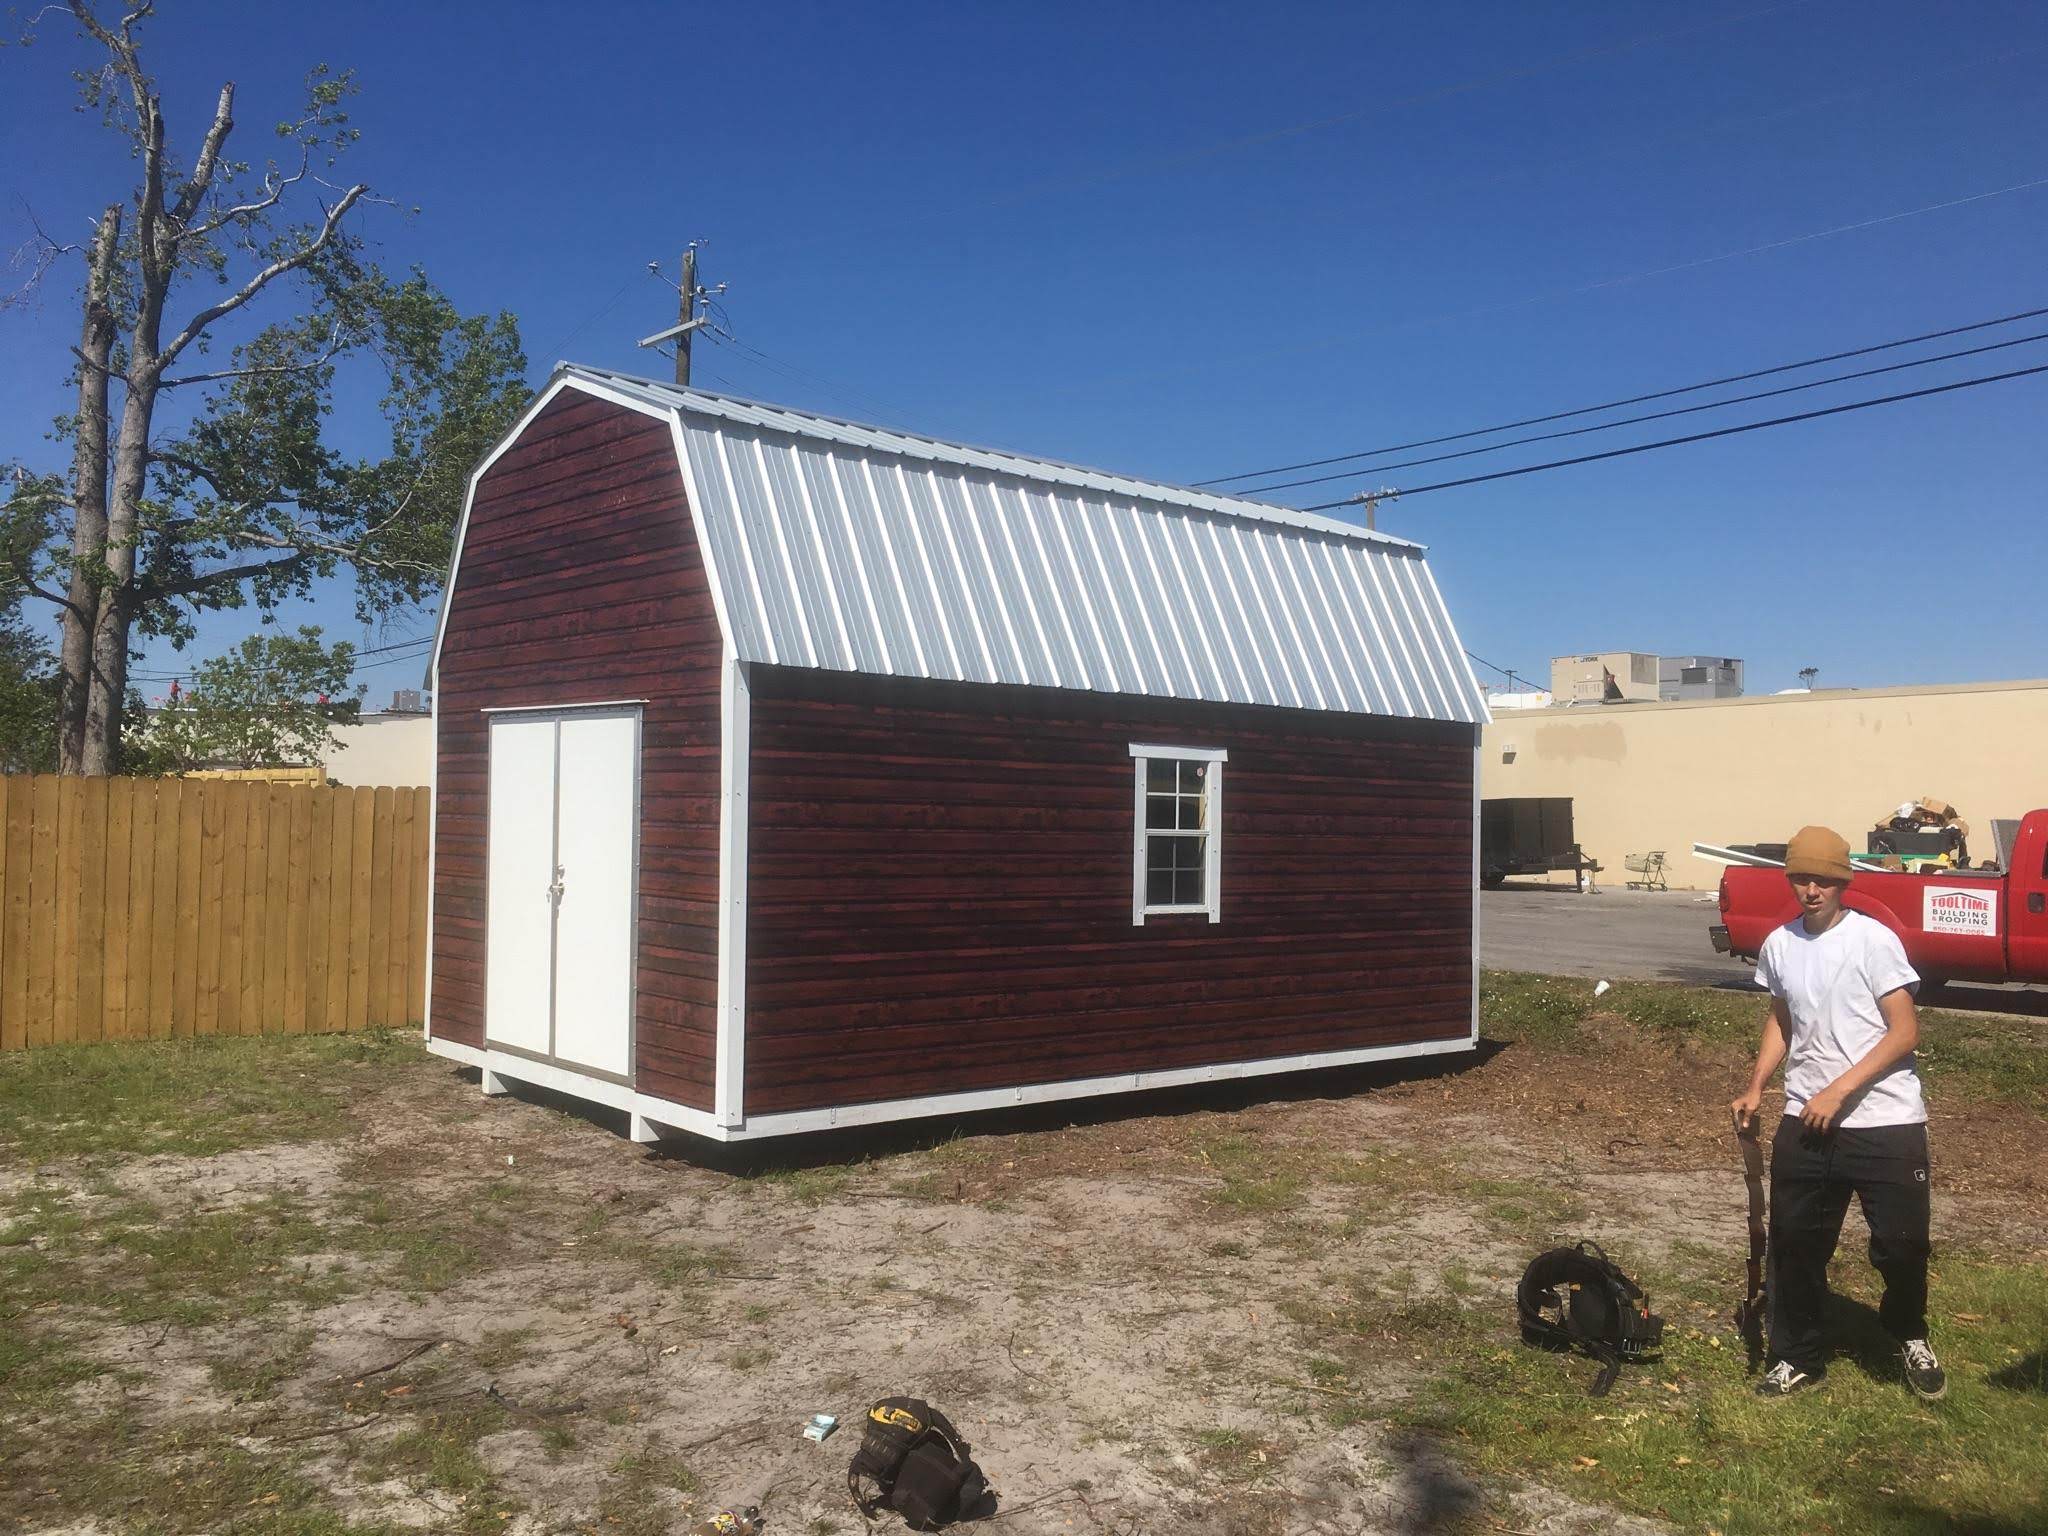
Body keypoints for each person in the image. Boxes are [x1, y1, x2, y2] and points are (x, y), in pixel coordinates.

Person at [1729, 824, 1944, 1400]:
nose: (1811, 890)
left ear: (1842, 882)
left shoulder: (1872, 941)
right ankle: (1797, 1354)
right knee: (1795, 1242)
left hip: (1886, 1119)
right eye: (1801, 878)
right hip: (1806, 1117)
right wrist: (1757, 1087)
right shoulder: (1779, 944)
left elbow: (1905, 1032)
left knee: (1902, 1244)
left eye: (1823, 879)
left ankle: (1908, 1331)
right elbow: (1782, 1019)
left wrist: (1840, 1091)